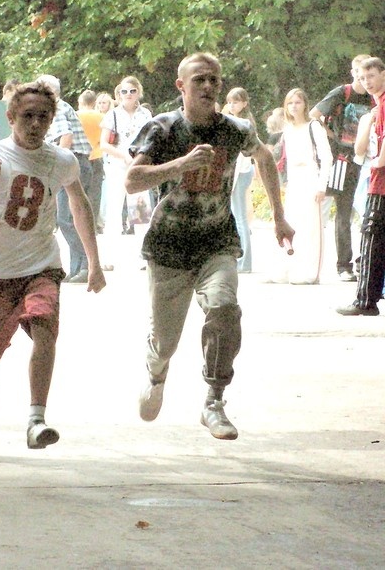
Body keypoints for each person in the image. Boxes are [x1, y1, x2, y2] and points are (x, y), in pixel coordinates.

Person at [125, 53, 294, 440]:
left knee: (224, 310)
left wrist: (280, 217)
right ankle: (156, 369)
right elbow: (132, 181)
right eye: (199, 79)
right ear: (180, 86)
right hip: (168, 246)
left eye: (214, 80)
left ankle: (214, 400)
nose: (208, 87)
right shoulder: (162, 128)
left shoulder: (235, 128)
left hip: (216, 241)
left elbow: (265, 157)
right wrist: (179, 166)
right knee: (166, 340)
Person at [0, 81, 105, 448]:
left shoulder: (60, 161)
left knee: (46, 330)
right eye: (27, 116)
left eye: (43, 117)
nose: (35, 124)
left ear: (52, 120)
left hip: (42, 265)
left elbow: (80, 206)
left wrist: (94, 262)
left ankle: (36, 419)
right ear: (10, 117)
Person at [310, 54, 375, 282]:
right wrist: (333, 137)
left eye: (369, 74)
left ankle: (363, 261)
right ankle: (343, 265)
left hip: (366, 160)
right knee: (344, 212)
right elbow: (314, 115)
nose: (364, 78)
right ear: (353, 71)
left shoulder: (374, 97)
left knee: (369, 212)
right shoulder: (342, 92)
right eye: (360, 72)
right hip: (342, 159)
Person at [35, 74, 96, 283]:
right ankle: (77, 267)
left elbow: (66, 138)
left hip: (73, 162)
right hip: (79, 162)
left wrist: (56, 167)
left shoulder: (57, 108)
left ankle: (86, 265)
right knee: (70, 217)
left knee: (67, 218)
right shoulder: (60, 107)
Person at [338, 57, 385, 316]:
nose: (367, 82)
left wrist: (377, 163)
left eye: (371, 76)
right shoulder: (375, 107)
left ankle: (365, 300)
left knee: (370, 236)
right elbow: (360, 149)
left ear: (383, 75)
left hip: (381, 183)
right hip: (377, 179)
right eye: (362, 78)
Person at [271, 88, 331, 285]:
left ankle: (309, 271)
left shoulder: (313, 126)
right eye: (290, 103)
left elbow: (326, 156)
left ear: (305, 104)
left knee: (310, 226)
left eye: (297, 102)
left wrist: (322, 185)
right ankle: (288, 266)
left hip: (310, 176)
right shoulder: (288, 129)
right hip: (295, 179)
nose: (294, 106)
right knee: (291, 222)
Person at [100, 76, 153, 239]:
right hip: (117, 165)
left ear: (138, 92)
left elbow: (151, 139)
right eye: (124, 91)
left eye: (132, 91)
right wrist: (123, 155)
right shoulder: (112, 115)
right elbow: (103, 144)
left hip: (138, 165)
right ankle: (109, 257)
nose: (128, 94)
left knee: (140, 210)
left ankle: (143, 256)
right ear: (119, 93)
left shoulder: (145, 114)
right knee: (114, 208)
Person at [223, 88, 258, 273]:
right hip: (242, 170)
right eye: (229, 102)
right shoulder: (235, 120)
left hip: (242, 170)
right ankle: (243, 260)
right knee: (238, 216)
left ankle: (244, 261)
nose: (232, 105)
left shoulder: (244, 122)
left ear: (244, 103)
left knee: (240, 217)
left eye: (235, 102)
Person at [77, 90, 107, 235]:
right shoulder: (102, 117)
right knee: (95, 194)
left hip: (80, 157)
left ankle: (78, 224)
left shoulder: (76, 116)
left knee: (78, 193)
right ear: (94, 102)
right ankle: (92, 226)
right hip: (97, 156)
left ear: (81, 102)